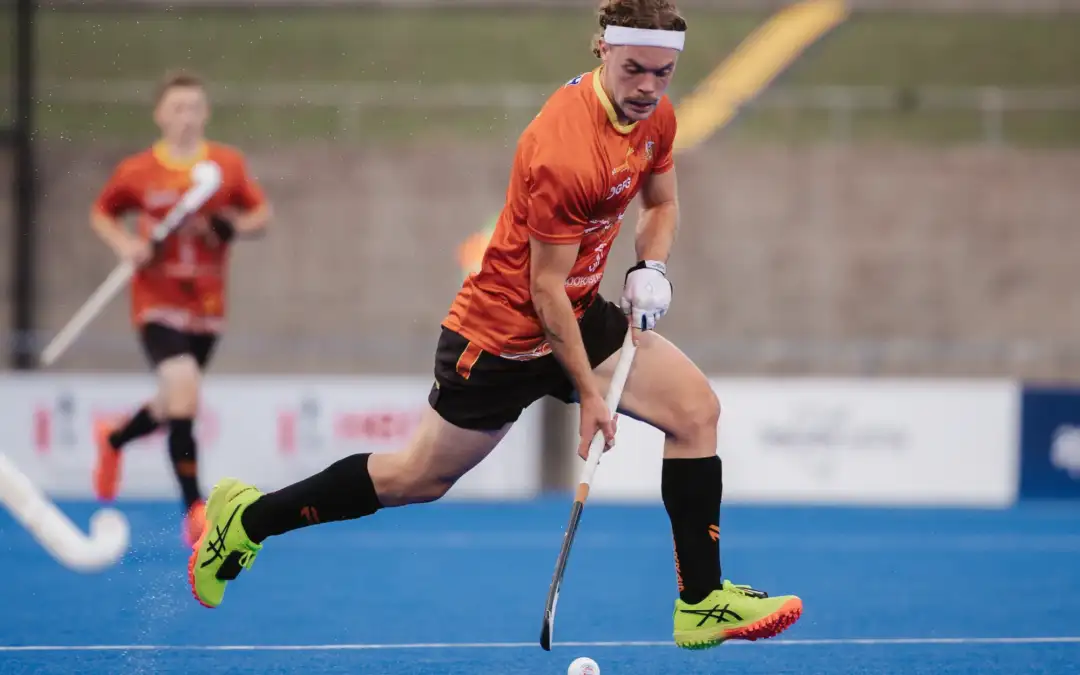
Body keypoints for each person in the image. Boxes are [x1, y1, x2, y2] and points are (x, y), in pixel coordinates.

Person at [188, 0, 802, 649]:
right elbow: (541, 290)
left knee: (696, 410)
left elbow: (663, 200)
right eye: (635, 69)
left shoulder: (657, 116)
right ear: (602, 50)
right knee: (415, 478)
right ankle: (247, 517)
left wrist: (651, 264)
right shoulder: (564, 148)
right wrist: (590, 397)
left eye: (663, 72)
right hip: (500, 336)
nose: (649, 87)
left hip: (579, 308)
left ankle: (701, 599)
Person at [89, 70, 271, 547]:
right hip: (156, 302)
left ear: (206, 113)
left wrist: (232, 226)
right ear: (160, 114)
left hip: (208, 305)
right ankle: (194, 509)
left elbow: (260, 216)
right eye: (177, 108)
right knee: (185, 391)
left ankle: (114, 439)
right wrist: (126, 244)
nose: (186, 117)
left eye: (194, 108)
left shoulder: (226, 166)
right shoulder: (137, 171)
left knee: (175, 402)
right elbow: (102, 212)